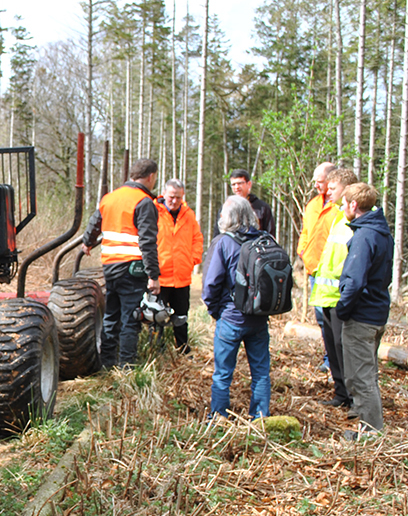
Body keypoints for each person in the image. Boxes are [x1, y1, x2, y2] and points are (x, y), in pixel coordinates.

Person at [82, 158, 161, 368]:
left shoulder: (110, 198)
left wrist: (87, 242)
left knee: (111, 315)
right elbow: (148, 241)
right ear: (151, 177)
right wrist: (154, 275)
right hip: (132, 268)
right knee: (131, 319)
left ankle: (107, 364)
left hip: (110, 266)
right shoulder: (143, 202)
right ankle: (127, 367)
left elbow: (94, 222)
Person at [202, 195, 270, 419]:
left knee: (223, 374)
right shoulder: (264, 239)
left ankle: (219, 418)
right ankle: (260, 418)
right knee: (260, 373)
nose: (220, 216)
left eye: (222, 213)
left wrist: (216, 311)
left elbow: (211, 284)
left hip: (231, 317)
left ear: (229, 217)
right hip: (259, 318)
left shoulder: (223, 242)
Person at [336, 182, 393, 435]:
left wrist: (343, 308)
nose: (341, 207)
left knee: (360, 378)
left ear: (353, 205)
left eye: (343, 203)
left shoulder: (364, 236)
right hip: (376, 312)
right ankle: (367, 426)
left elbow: (355, 281)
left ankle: (371, 433)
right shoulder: (381, 232)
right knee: (366, 374)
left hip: (362, 316)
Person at [310, 168, 359, 409]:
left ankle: (354, 399)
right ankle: (341, 394)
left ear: (347, 190)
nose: (328, 191)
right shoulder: (338, 216)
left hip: (341, 297)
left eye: (333, 188)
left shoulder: (356, 220)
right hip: (326, 296)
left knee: (345, 349)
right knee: (333, 348)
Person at [154, 178, 203, 352]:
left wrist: (193, 259)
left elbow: (197, 238)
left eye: (178, 197)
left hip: (182, 276)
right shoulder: (154, 212)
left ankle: (182, 349)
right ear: (164, 194)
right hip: (159, 277)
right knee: (157, 317)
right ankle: (156, 351)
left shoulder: (188, 214)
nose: (174, 201)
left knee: (181, 316)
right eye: (171, 197)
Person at [298, 162, 338, 371]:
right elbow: (306, 231)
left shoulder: (341, 205)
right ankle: (329, 358)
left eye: (319, 181)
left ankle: (336, 362)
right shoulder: (313, 204)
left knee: (335, 319)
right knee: (322, 318)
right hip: (315, 270)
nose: (315, 185)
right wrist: (302, 251)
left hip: (334, 272)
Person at [229, 169, 275, 235]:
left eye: (240, 183)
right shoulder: (227, 208)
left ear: (249, 184)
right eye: (233, 184)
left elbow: (270, 235)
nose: (237, 187)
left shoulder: (262, 208)